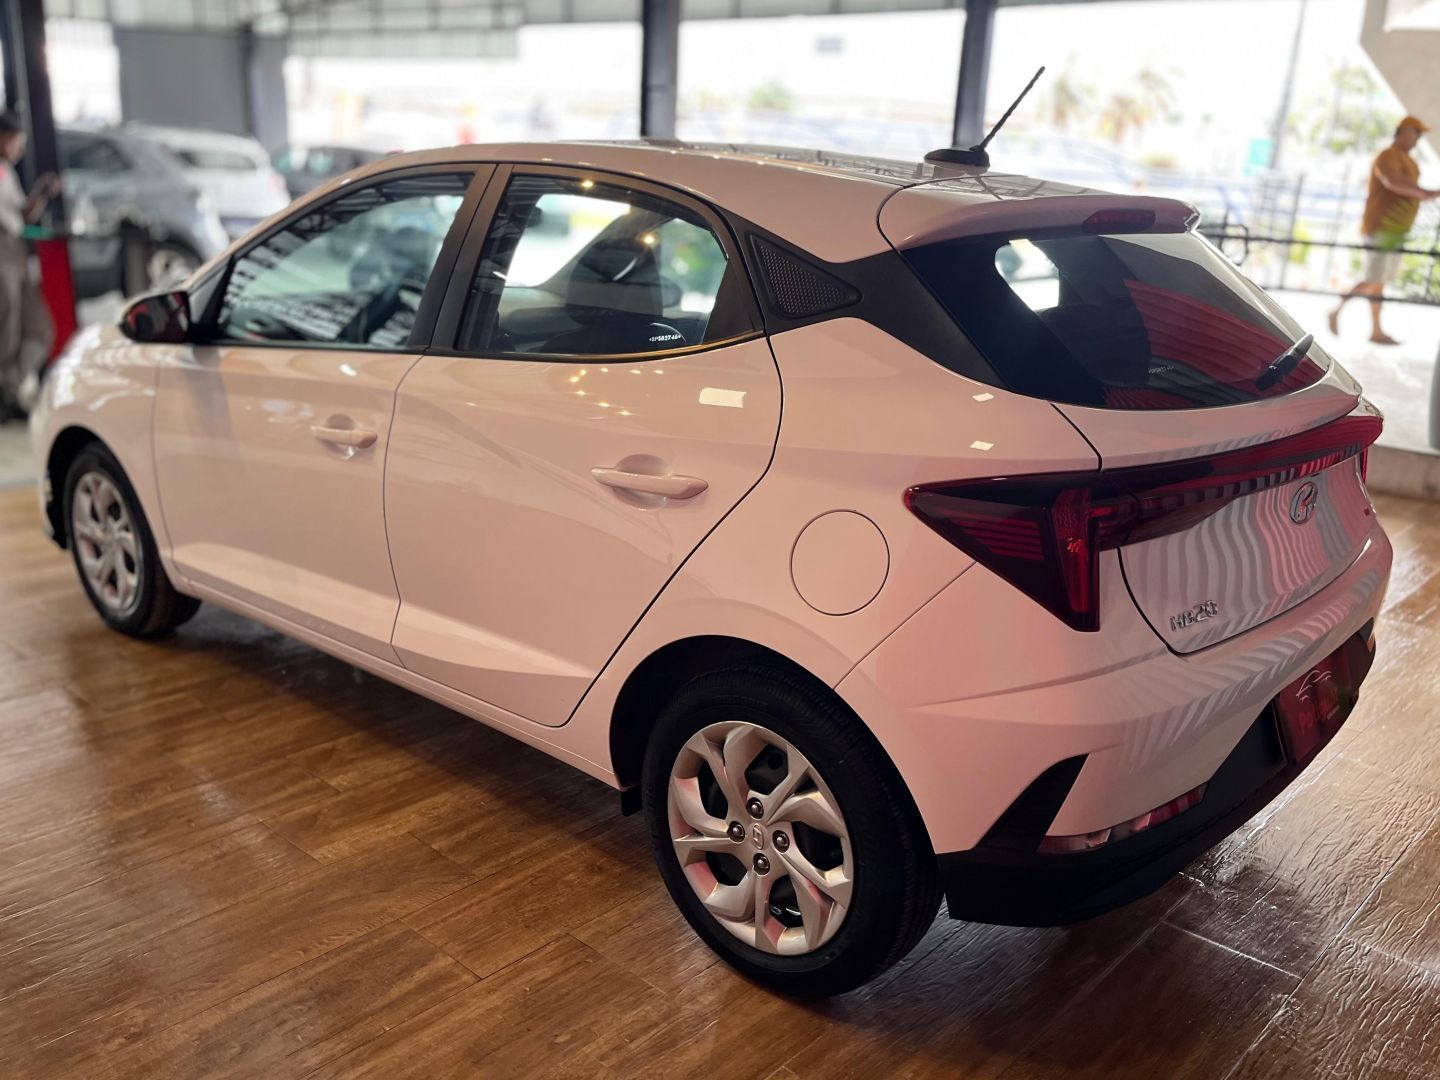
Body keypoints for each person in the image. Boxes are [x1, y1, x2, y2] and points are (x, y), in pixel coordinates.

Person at [1328, 116, 1439, 346]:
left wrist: (1428, 194)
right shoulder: (1387, 156)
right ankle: (1337, 309)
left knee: (1380, 282)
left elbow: (1408, 188)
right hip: (1381, 227)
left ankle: (1376, 331)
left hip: (1397, 230)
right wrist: (1427, 193)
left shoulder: (1410, 161)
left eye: (1419, 134)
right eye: (1415, 132)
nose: (1417, 138)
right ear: (1401, 132)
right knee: (1374, 278)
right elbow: (1393, 182)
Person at [0, 109, 60, 421]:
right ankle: (6, 397)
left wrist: (41, 193)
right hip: (2, 250)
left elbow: (22, 215)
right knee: (7, 326)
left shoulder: (6, 172)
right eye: (15, 141)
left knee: (38, 328)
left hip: (16, 250)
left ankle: (9, 389)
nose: (19, 148)